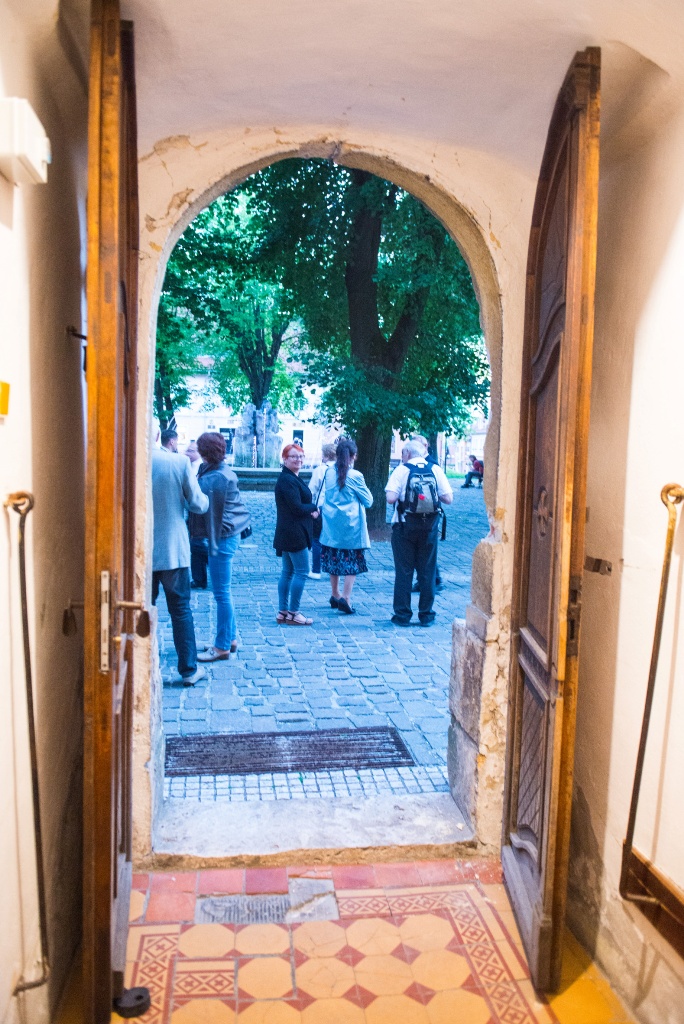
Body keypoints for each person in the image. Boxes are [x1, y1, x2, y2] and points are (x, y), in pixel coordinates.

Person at [152, 428, 209, 684]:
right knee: (180, 610)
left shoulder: (126, 460)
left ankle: (141, 666)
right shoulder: (177, 462)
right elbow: (198, 503)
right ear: (159, 437)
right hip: (171, 549)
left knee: (141, 610)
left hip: (139, 552)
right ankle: (188, 670)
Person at [187, 432, 250, 663]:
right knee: (224, 592)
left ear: (204, 452)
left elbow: (195, 501)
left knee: (222, 593)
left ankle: (222, 646)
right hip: (227, 535)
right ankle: (230, 639)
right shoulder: (219, 470)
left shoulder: (214, 478)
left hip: (222, 539)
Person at [386, 439, 453, 626]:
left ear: (407, 453)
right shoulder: (435, 470)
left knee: (404, 572)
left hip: (404, 527)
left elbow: (390, 498)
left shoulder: (401, 470)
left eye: (402, 454)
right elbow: (448, 498)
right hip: (429, 528)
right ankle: (426, 615)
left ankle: (402, 615)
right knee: (428, 572)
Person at [320, 437, 373, 615]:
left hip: (332, 526)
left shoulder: (328, 473)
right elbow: (368, 500)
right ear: (353, 456)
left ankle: (335, 593)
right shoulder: (355, 476)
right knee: (352, 563)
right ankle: (346, 597)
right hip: (351, 527)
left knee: (334, 559)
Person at [273, 443, 320, 625]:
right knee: (301, 572)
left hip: (288, 531)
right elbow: (297, 507)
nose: (298, 460)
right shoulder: (288, 480)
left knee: (287, 572)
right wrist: (313, 508)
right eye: (294, 456)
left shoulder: (290, 477)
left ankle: (283, 612)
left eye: (301, 456)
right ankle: (293, 613)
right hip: (294, 533)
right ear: (285, 459)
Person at [410, 434, 444, 591]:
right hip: (418, 511)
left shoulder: (431, 464)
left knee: (427, 550)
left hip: (428, 512)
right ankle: (425, 580)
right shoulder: (415, 463)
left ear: (425, 446)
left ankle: (434, 580)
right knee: (423, 549)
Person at [307, 442, 337, 579]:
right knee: (334, 539)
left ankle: (316, 570)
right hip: (337, 509)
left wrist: (311, 508)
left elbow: (311, 490)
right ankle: (334, 569)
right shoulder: (342, 470)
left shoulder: (320, 470)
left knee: (317, 539)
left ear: (326, 455)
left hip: (321, 508)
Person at [184, 440, 208, 588]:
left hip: (202, 513)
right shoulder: (187, 465)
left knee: (199, 545)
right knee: (195, 545)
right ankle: (199, 578)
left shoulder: (203, 467)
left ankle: (201, 576)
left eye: (191, 451)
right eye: (187, 450)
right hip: (193, 513)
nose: (187, 453)